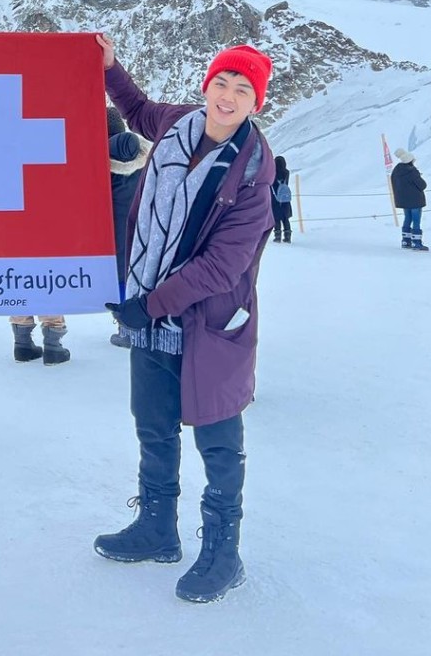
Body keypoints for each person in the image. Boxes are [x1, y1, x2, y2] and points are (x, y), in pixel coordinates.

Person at [96, 37, 274, 605]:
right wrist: (110, 68)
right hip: (151, 309)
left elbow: (221, 267)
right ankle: (157, 527)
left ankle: (225, 550)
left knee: (218, 435)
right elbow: (138, 110)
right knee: (152, 420)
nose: (227, 95)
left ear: (255, 103)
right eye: (222, 82)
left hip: (208, 324)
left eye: (242, 89)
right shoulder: (178, 125)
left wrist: (145, 305)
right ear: (207, 85)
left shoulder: (253, 176)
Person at [107, 106, 151, 348]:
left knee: (119, 278)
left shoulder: (101, 160)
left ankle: (126, 328)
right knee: (137, 276)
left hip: (111, 229)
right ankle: (136, 324)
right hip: (141, 225)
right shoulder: (143, 159)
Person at [391, 149, 429, 251]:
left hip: (403, 200)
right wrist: (418, 176)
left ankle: (405, 241)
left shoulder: (396, 170)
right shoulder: (412, 171)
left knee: (407, 218)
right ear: (410, 161)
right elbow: (422, 185)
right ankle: (416, 243)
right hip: (415, 200)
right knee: (416, 220)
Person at [271, 155, 293, 243]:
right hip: (285, 198)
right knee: (285, 218)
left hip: (275, 197)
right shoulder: (286, 172)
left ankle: (277, 236)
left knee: (276, 218)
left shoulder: (273, 172)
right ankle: (287, 236)